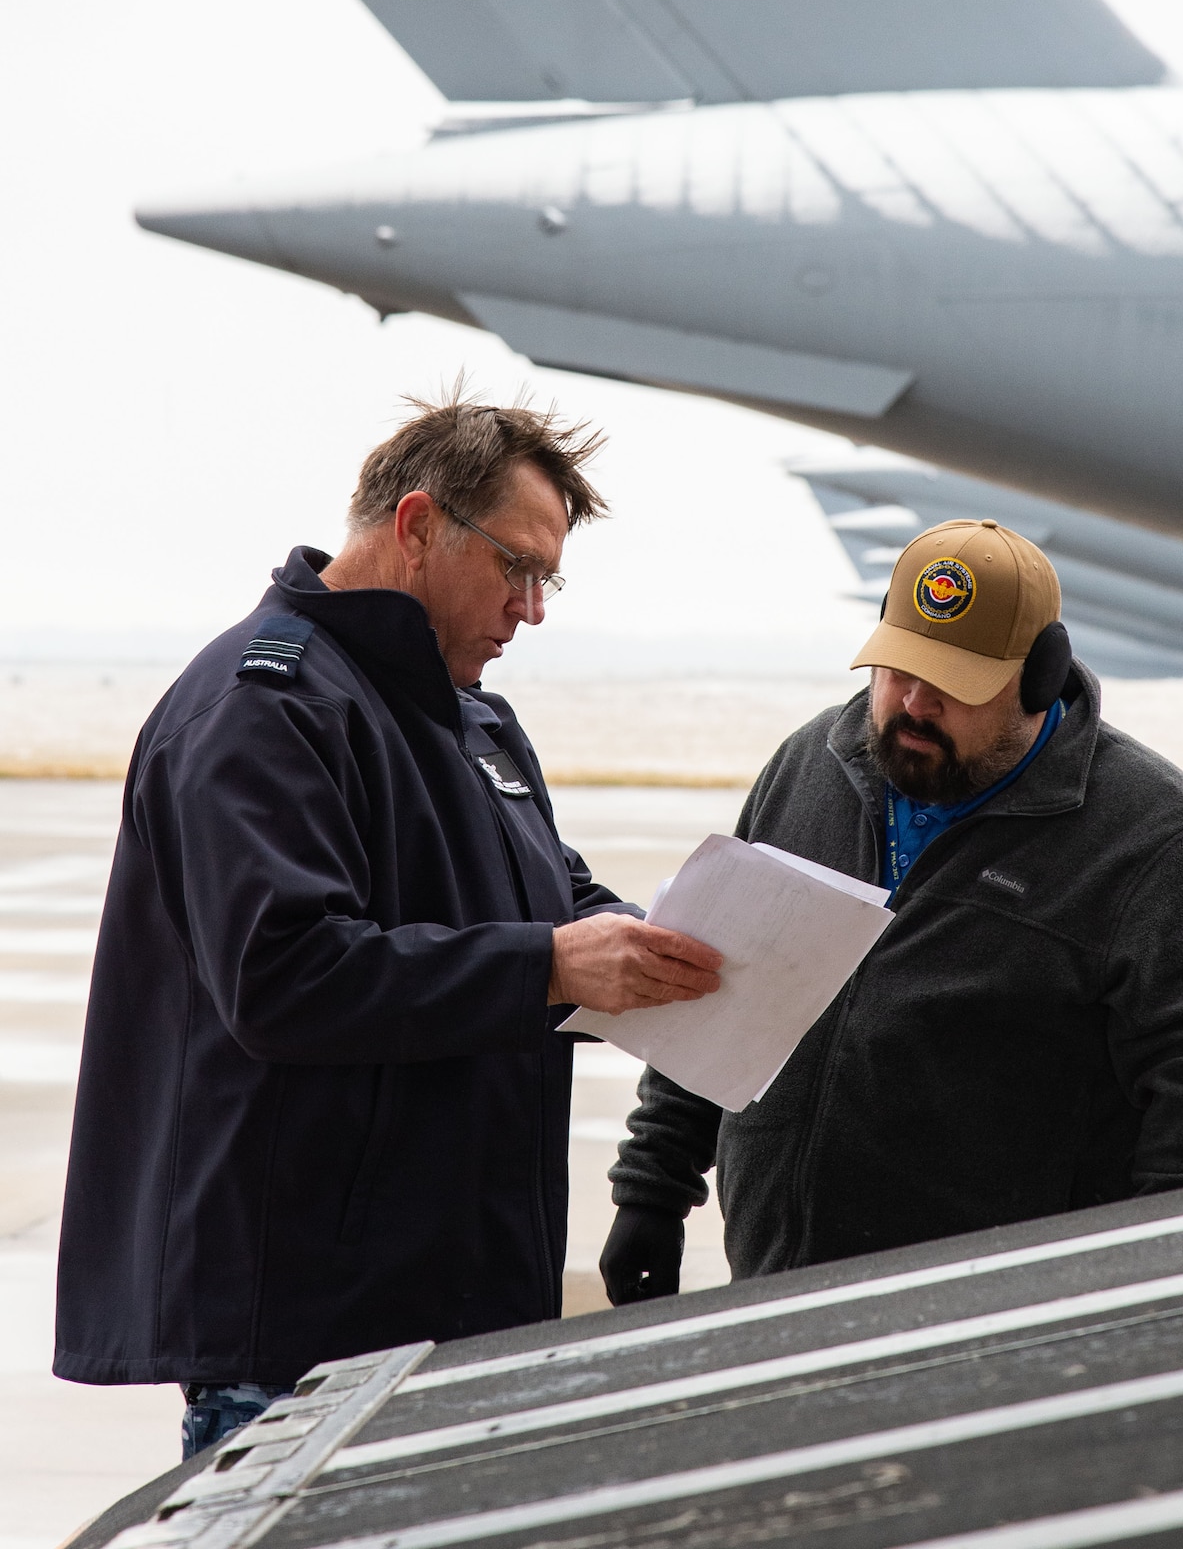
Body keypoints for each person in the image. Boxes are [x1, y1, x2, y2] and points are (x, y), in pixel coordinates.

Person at [54, 392, 720, 1455]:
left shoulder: (468, 716)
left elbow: (555, 901)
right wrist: (550, 965)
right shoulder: (261, 705)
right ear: (415, 527)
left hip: (455, 1314)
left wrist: (665, 951)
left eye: (548, 576)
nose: (531, 608)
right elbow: (285, 973)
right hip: (309, 1339)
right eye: (516, 566)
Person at [602, 517, 1183, 1304]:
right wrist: (653, 1188)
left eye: (952, 683)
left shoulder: (1160, 845)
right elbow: (714, 985)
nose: (912, 704)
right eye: (895, 668)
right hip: (776, 1292)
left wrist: (1163, 1305)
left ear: (1037, 678)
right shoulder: (808, 766)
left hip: (1009, 1319)